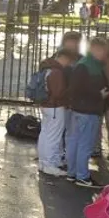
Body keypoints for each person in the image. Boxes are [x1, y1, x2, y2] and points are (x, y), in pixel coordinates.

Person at [66, 37, 109, 188]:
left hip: (78, 109)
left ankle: (72, 173)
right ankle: (82, 176)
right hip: (88, 110)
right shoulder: (90, 66)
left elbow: (74, 89)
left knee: (74, 142)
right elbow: (78, 88)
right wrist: (99, 95)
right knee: (84, 144)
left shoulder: (84, 64)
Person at [37, 48, 73, 176]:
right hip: (55, 107)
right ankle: (49, 164)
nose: (68, 64)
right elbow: (58, 93)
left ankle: (44, 162)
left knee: (45, 134)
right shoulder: (57, 71)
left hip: (46, 105)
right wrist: (69, 92)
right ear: (63, 58)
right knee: (53, 136)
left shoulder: (47, 67)